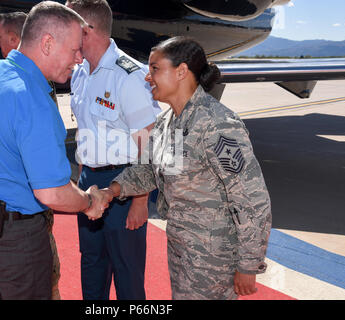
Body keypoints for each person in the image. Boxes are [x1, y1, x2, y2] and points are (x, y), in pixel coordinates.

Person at [0, 1, 112, 300]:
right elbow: (50, 193)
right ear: (47, 43)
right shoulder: (36, 102)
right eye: (75, 49)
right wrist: (89, 201)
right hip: (16, 238)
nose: (79, 58)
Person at [104, 36, 272, 300]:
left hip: (213, 260)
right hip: (182, 250)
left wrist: (248, 264)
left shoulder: (217, 124)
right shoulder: (167, 121)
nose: (148, 77)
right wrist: (110, 191)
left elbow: (251, 200)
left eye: (155, 69)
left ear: (182, 72)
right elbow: (147, 171)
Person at [65, 0, 162, 300]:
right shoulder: (80, 72)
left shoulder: (130, 76)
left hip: (125, 187)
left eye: (68, 24)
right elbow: (85, 130)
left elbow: (150, 146)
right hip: (88, 182)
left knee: (127, 272)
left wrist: (140, 201)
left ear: (85, 30)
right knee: (92, 263)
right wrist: (83, 174)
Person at [0, 10, 62, 300]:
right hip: (20, 211)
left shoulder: (32, 87)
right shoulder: (26, 83)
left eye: (0, 39)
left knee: (42, 278)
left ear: (13, 39)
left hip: (28, 210)